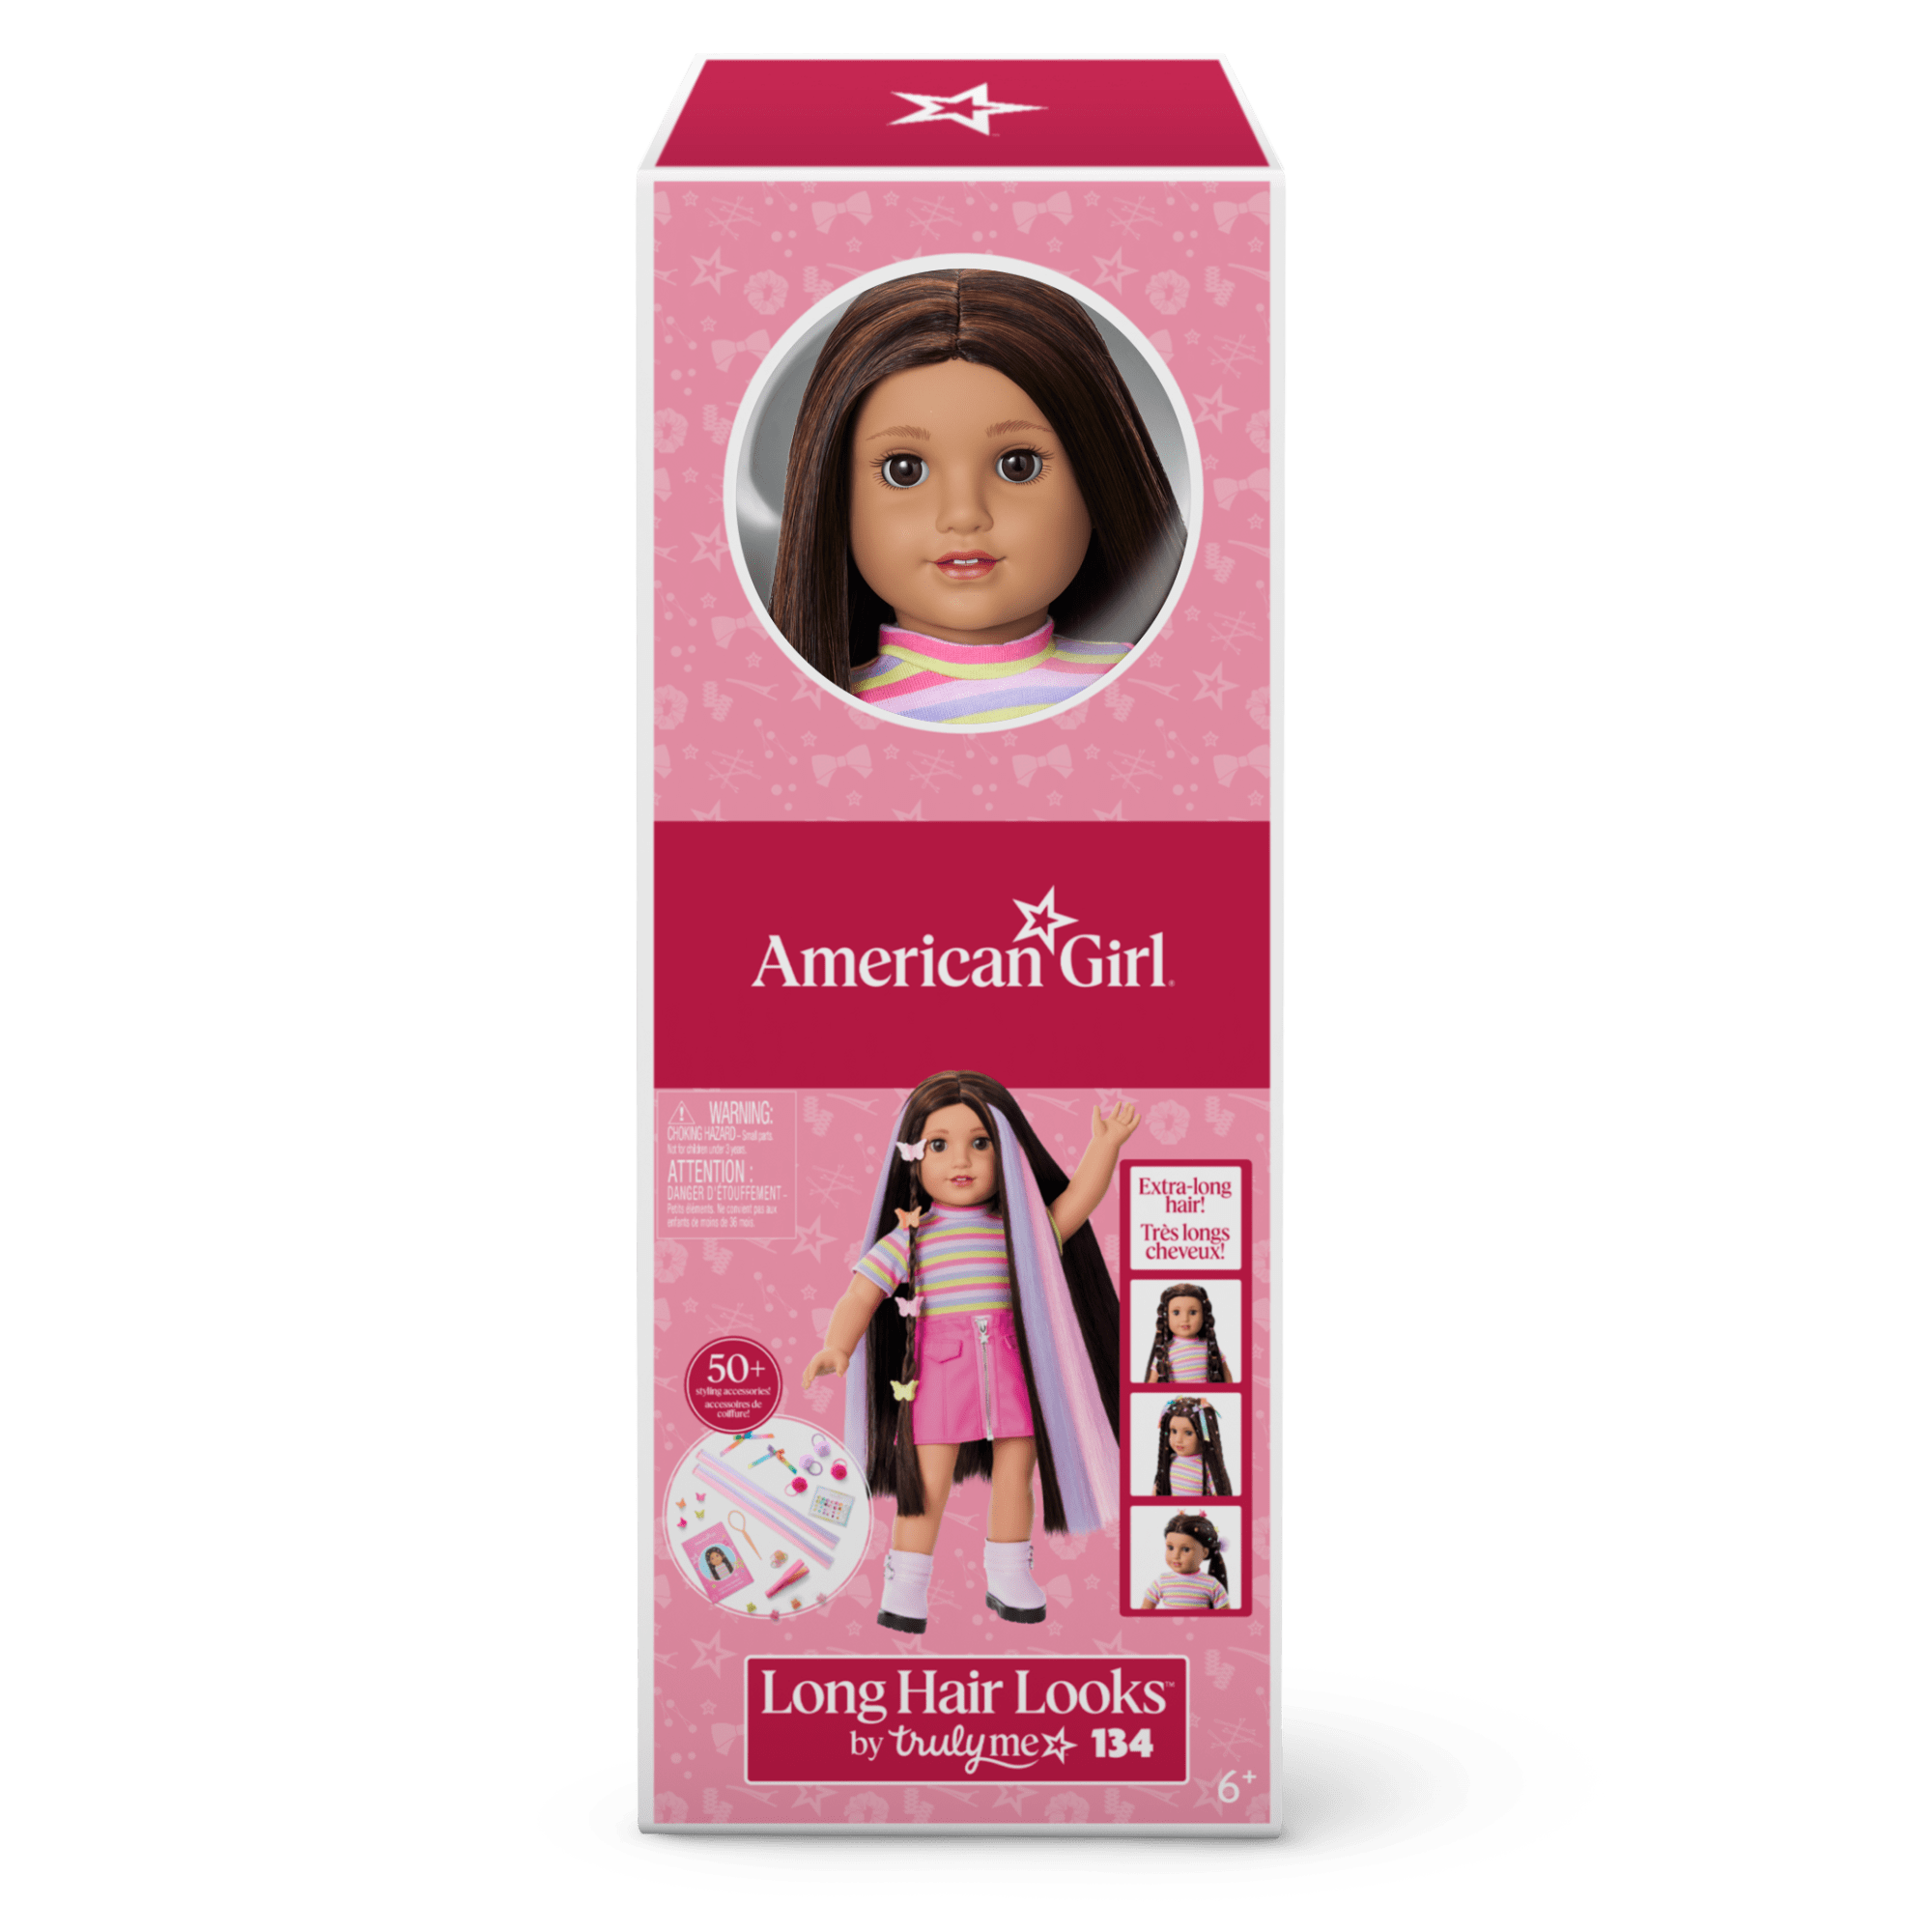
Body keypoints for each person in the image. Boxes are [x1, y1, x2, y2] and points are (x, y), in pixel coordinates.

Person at [803, 1071, 1137, 1634]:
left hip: (1015, 1368)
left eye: (980, 1142)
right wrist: (838, 1345)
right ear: (912, 1156)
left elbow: (1075, 1205)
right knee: (926, 1483)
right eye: (938, 1145)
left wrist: (1104, 1148)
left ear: (1006, 1149)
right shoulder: (910, 1238)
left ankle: (1008, 1573)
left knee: (1016, 1476)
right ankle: (906, 1581)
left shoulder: (1020, 1233)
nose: (961, 1159)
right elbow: (861, 1293)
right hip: (937, 1374)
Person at [771, 270, 1184, 720]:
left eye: (1018, 466)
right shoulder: (814, 713)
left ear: (1097, 477)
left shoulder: (1155, 684)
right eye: (905, 471)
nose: (964, 514)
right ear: (835, 498)